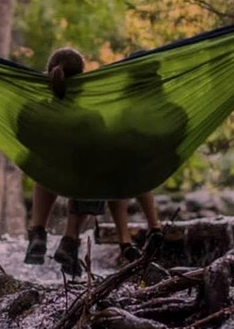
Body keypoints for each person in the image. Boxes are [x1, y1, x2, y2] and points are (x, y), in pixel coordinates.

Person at [23, 47, 164, 276]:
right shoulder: (91, 117)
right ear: (82, 81)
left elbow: (22, 138)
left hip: (49, 177)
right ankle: (76, 239)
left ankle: (38, 230)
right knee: (100, 163)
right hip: (83, 182)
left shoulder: (34, 111)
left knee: (48, 164)